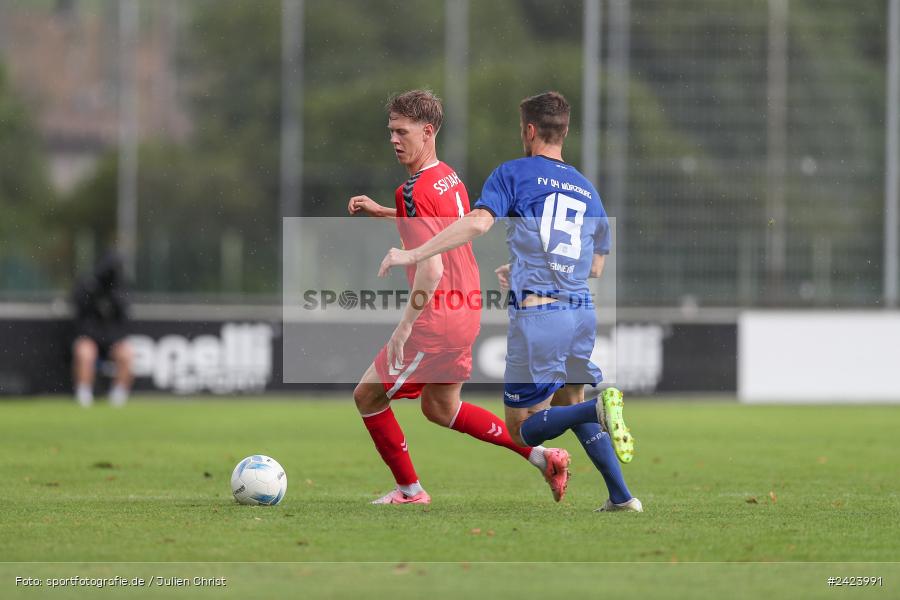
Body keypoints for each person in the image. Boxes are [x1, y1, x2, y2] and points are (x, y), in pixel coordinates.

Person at [378, 91, 642, 512]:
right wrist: (521, 267)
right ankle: (622, 497)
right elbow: (594, 266)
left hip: (541, 316)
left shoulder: (514, 173)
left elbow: (478, 223)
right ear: (566, 132)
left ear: (530, 130)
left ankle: (599, 407)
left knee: (523, 431)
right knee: (568, 402)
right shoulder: (587, 189)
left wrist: (414, 253)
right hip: (581, 313)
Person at [348, 89, 570, 505]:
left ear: (427, 131)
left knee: (367, 396)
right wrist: (386, 212)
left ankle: (410, 492)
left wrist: (403, 328)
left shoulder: (412, 190)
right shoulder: (449, 178)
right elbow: (440, 225)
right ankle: (543, 457)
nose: (394, 140)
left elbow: (430, 267)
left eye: (402, 131)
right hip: (466, 312)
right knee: (441, 407)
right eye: (390, 131)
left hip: (435, 318)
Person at [71, 250, 133, 407]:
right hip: (90, 338)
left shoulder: (120, 287)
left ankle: (118, 396)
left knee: (127, 353)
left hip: (112, 340)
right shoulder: (88, 285)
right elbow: (78, 308)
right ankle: (84, 395)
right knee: (85, 352)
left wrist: (114, 295)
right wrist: (92, 290)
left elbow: (125, 314)